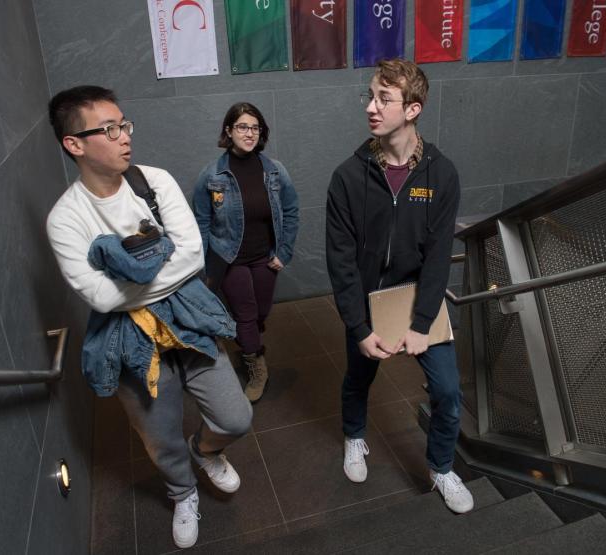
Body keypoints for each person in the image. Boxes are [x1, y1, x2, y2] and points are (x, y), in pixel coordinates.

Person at [46, 85, 252, 549]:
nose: (124, 136)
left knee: (235, 417)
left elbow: (193, 256)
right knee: (159, 437)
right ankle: (182, 492)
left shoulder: (152, 182)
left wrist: (129, 274)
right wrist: (161, 261)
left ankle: (205, 450)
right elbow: (100, 297)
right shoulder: (66, 219)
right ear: (74, 144)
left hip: (187, 318)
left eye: (125, 124)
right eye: (109, 128)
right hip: (124, 339)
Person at [325, 59, 474, 514]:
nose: (371, 107)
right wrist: (358, 326)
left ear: (413, 109)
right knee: (359, 377)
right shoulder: (348, 177)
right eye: (370, 96)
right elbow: (341, 261)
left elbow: (436, 259)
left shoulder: (440, 174)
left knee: (448, 392)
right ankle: (354, 436)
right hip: (368, 301)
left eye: (383, 99)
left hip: (417, 298)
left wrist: (422, 323)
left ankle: (442, 467)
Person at [193, 102, 299, 403]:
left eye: (255, 127)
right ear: (229, 130)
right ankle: (256, 364)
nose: (249, 133)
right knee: (246, 313)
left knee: (261, 312)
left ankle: (248, 339)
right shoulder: (211, 175)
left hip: (265, 256)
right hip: (229, 258)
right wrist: (203, 265)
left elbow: (291, 212)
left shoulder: (275, 172)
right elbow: (201, 221)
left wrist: (284, 252)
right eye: (242, 126)